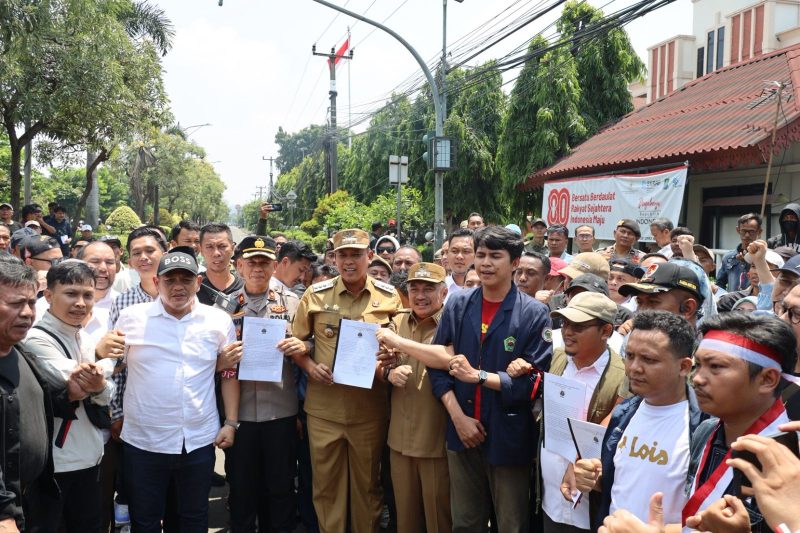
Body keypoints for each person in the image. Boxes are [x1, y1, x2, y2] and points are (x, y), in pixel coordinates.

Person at [383, 226, 552, 532]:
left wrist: (480, 377)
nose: (486, 263)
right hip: (461, 435)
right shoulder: (460, 305)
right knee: (465, 523)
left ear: (514, 263)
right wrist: (457, 417)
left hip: (508, 436)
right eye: (482, 255)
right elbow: (439, 366)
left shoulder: (534, 314)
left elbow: (534, 383)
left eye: (496, 256)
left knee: (511, 523)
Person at [115, 248, 240, 532]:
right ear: (157, 283)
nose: (178, 287)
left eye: (186, 279)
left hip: (197, 440)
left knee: (193, 518)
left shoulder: (218, 320)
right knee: (145, 520)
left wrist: (231, 422)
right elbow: (115, 366)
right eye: (170, 280)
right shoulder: (131, 317)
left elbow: (230, 372)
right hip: (144, 441)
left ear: (198, 283)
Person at [286, 228, 402, 532]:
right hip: (325, 411)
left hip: (370, 410)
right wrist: (310, 367)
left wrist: (392, 358)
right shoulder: (316, 295)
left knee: (368, 486)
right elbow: (297, 342)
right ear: (334, 258)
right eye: (343, 255)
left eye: (356, 255)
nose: (349, 261)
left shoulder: (389, 297)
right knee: (326, 487)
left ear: (369, 256)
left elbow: (402, 345)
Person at [568, 311, 703, 531]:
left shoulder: (704, 428)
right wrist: (592, 478)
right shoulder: (624, 413)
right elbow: (621, 484)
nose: (634, 368)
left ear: (684, 367)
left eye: (648, 359)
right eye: (630, 356)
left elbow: (709, 517)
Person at [212, 236, 301, 532]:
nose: (258, 268)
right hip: (241, 416)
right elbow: (207, 354)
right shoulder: (223, 307)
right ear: (239, 266)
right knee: (241, 488)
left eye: (264, 262)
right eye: (251, 262)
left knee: (280, 487)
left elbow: (311, 343)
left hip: (281, 410)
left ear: (275, 266)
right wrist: (220, 362)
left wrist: (303, 346)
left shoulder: (292, 303)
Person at [681, 313, 797, 533]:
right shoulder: (705, 431)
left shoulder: (792, 456)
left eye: (715, 366)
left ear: (767, 379)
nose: (697, 378)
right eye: (698, 365)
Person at [22, 261, 112, 533]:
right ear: (48, 296)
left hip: (89, 458)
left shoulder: (82, 337)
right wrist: (100, 378)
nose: (81, 303)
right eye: (71, 294)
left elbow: (105, 389)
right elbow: (85, 382)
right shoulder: (35, 339)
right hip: (55, 467)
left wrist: (99, 381)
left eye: (87, 294)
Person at [526, 291, 626, 533]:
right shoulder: (555, 358)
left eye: (579, 326)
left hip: (588, 503)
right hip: (550, 497)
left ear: (606, 332)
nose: (568, 331)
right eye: (565, 323)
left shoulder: (622, 376)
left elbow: (612, 431)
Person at [0, 255, 85, 531]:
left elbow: (37, 406)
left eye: (31, 302)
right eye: (15, 304)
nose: (27, 313)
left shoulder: (22, 353)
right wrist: (4, 513)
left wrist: (69, 394)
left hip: (33, 499)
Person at [374, 263, 452, 533]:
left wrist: (398, 343)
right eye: (414, 288)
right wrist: (388, 373)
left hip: (435, 442)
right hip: (399, 440)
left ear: (443, 292)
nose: (420, 295)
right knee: (405, 520)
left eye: (428, 289)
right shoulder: (397, 321)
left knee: (438, 520)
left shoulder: (452, 323)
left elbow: (449, 358)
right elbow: (377, 362)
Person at [618, 261, 704, 330]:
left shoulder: (707, 350)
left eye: (653, 302)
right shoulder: (630, 340)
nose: (641, 311)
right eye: (639, 302)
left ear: (687, 308)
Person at [197, 223, 244, 306]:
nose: (216, 253)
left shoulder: (245, 287)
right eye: (209, 247)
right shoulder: (192, 287)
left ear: (232, 248)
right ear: (201, 250)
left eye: (222, 246)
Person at [717, 213, 762, 292]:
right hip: (731, 302)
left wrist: (748, 263)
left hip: (754, 302)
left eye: (751, 232)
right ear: (738, 230)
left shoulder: (764, 257)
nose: (747, 235)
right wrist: (724, 298)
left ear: (759, 231)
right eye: (743, 231)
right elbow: (719, 283)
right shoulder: (728, 257)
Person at [444, 228, 475, 300]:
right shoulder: (438, 288)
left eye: (466, 251)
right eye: (454, 251)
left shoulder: (488, 289)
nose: (459, 256)